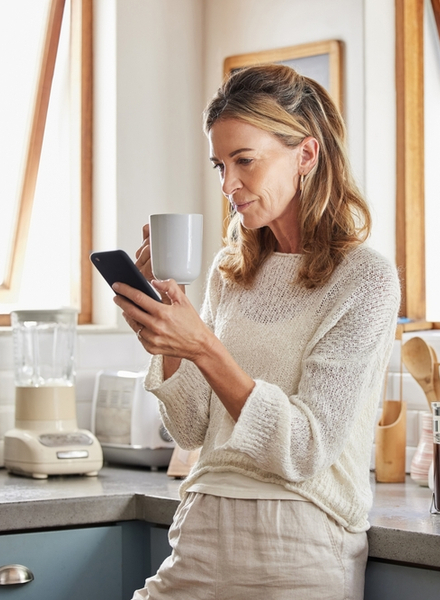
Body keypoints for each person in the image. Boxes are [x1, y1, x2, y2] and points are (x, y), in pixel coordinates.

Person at [113, 64, 400, 600]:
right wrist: (166, 334)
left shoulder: (365, 280)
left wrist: (202, 345)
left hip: (299, 546)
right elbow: (191, 429)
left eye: (245, 161)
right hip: (201, 531)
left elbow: (303, 449)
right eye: (220, 165)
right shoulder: (232, 272)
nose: (228, 184)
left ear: (306, 155)